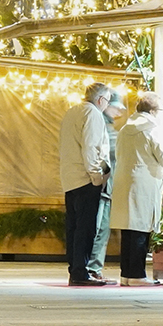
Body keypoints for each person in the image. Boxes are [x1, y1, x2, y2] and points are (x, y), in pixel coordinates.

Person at [110, 92, 163, 286]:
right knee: (140, 228)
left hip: (124, 180)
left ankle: (126, 273)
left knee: (129, 228)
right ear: (153, 111)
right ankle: (137, 275)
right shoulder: (152, 129)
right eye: (162, 110)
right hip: (144, 182)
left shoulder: (125, 128)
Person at [59, 83, 113, 286]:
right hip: (85, 179)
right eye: (107, 101)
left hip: (70, 179)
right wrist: (97, 177)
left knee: (73, 228)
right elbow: (91, 147)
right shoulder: (93, 114)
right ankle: (81, 272)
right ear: (100, 100)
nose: (107, 106)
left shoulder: (72, 111)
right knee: (86, 228)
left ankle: (75, 270)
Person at [88, 92, 125, 280]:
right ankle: (92, 268)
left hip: (102, 184)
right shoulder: (105, 127)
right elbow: (107, 153)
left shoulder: (103, 124)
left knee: (99, 227)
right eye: (115, 106)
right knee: (100, 228)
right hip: (103, 185)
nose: (118, 111)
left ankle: (92, 267)